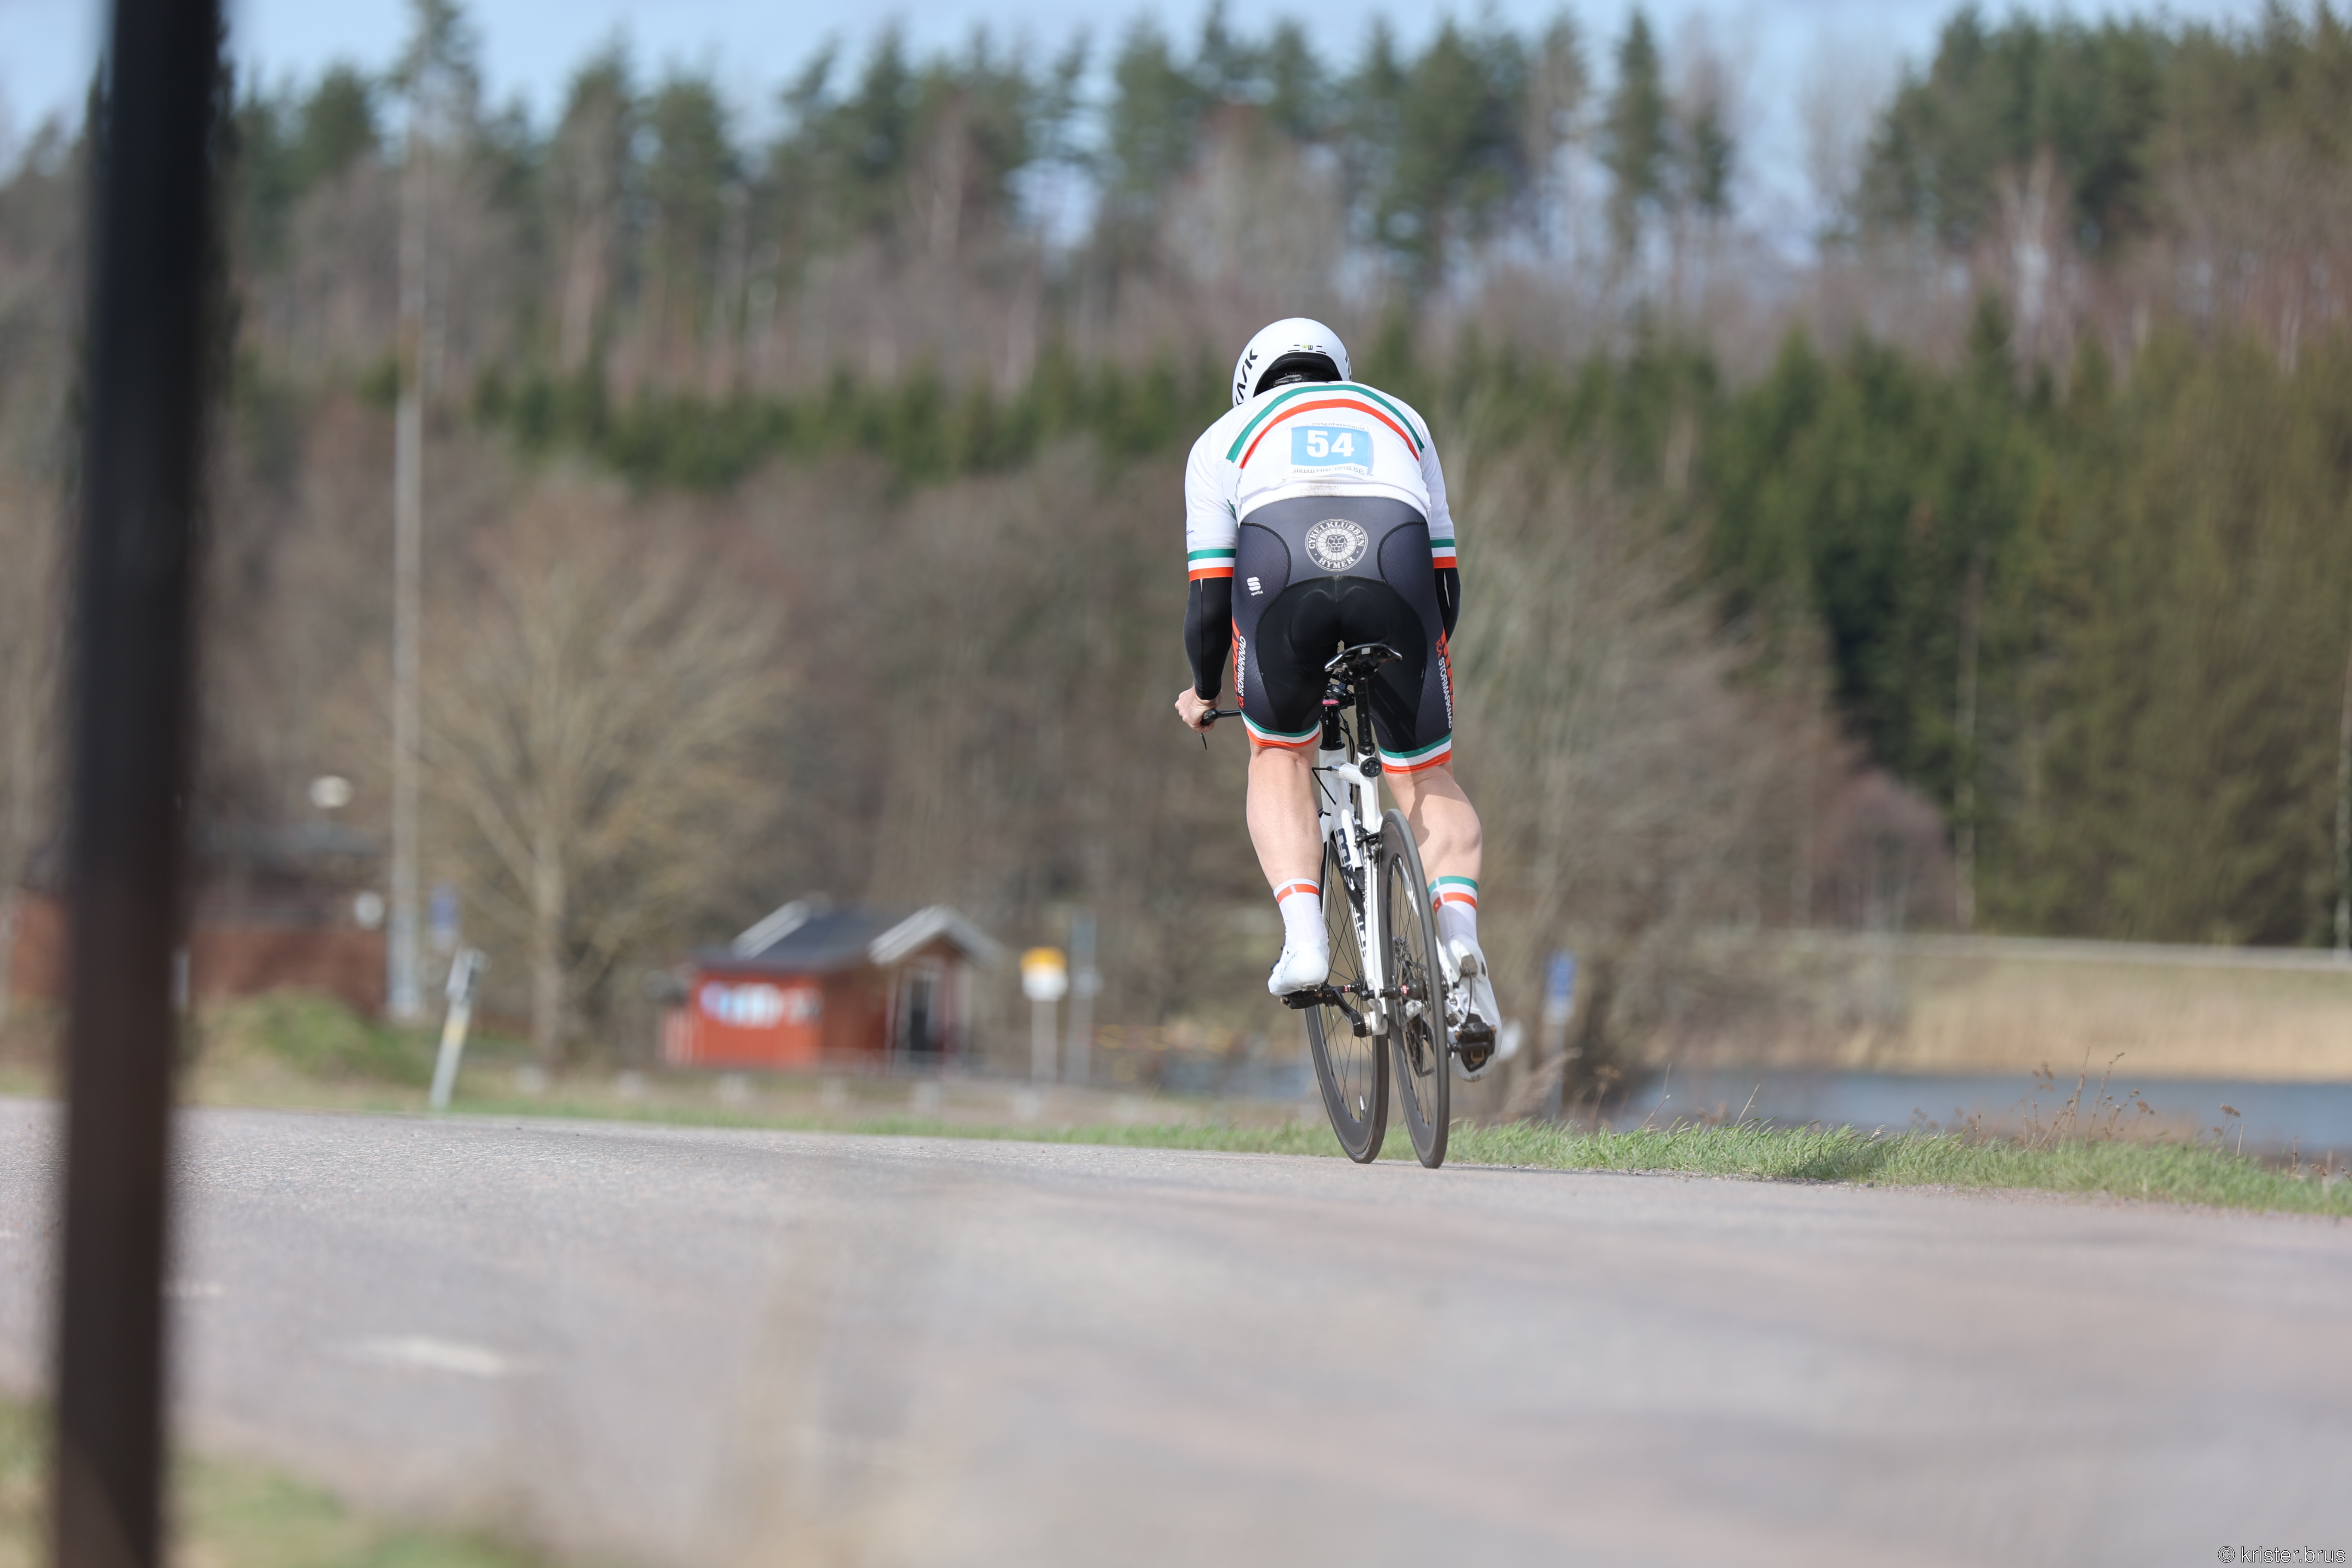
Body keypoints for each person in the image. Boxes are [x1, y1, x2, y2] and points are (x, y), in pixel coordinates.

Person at [1172, 317, 1501, 1075]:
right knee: (1426, 774)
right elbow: (1445, 580)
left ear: (1249, 382)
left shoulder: (1222, 438)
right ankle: (1461, 947)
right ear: (1338, 371)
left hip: (1282, 574)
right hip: (1397, 572)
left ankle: (1305, 941)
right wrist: (1422, 665)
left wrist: (1203, 690)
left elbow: (1209, 597)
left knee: (1279, 755)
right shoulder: (1400, 415)